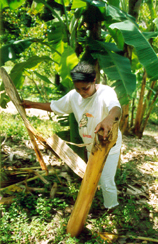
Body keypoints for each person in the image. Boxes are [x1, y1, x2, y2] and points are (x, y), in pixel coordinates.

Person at [21, 61, 122, 210]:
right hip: (90, 145)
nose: (81, 92)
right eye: (78, 88)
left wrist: (108, 120)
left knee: (106, 181)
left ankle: (112, 209)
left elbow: (116, 109)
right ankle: (94, 202)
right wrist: (32, 104)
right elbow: (55, 106)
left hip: (108, 145)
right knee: (95, 177)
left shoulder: (105, 92)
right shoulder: (74, 96)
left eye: (85, 88)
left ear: (94, 80)